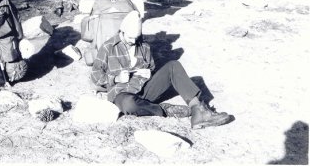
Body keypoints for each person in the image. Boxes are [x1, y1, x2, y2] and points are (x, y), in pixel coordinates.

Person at [90, 10, 232, 129]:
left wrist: (147, 72)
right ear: (122, 31)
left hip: (144, 88)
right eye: (130, 37)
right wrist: (115, 78)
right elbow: (95, 75)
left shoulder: (143, 46)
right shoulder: (108, 47)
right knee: (129, 105)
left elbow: (151, 66)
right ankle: (164, 109)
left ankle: (198, 112)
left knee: (173, 65)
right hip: (122, 94)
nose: (134, 41)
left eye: (136, 37)